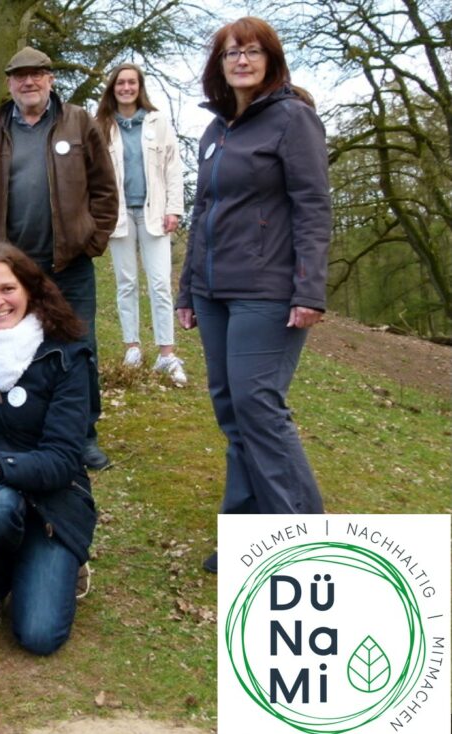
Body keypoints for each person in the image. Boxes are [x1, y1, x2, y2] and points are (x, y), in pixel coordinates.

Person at [176, 17, 330, 574]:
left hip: (267, 291)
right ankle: (247, 536)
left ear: (271, 60)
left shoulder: (293, 119)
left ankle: (304, 540)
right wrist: (187, 289)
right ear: (218, 65)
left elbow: (313, 208)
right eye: (231, 53)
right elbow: (202, 213)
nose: (241, 60)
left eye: (252, 51)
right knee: (233, 410)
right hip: (213, 292)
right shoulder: (215, 131)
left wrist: (309, 289)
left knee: (259, 408)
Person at [0, 243, 97, 655]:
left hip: (54, 501)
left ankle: (60, 558)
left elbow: (64, 459)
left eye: (7, 289)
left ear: (29, 290)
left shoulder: (65, 353)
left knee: (39, 636)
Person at [0, 47, 118, 471]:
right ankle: (24, 432)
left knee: (79, 348)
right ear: (9, 83)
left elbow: (105, 188)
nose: (28, 82)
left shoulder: (78, 122)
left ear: (50, 79)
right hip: (14, 272)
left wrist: (93, 239)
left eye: (36, 74)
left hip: (69, 264)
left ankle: (83, 435)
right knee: (18, 348)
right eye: (20, 76)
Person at [95, 63, 186, 385]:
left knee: (159, 283)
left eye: (132, 82)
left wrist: (174, 209)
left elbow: (173, 167)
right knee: (126, 282)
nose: (126, 88)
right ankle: (132, 347)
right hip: (119, 214)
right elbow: (94, 173)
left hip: (154, 212)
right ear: (113, 88)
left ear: (139, 87)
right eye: (121, 83)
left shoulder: (158, 122)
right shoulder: (102, 125)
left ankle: (166, 353)